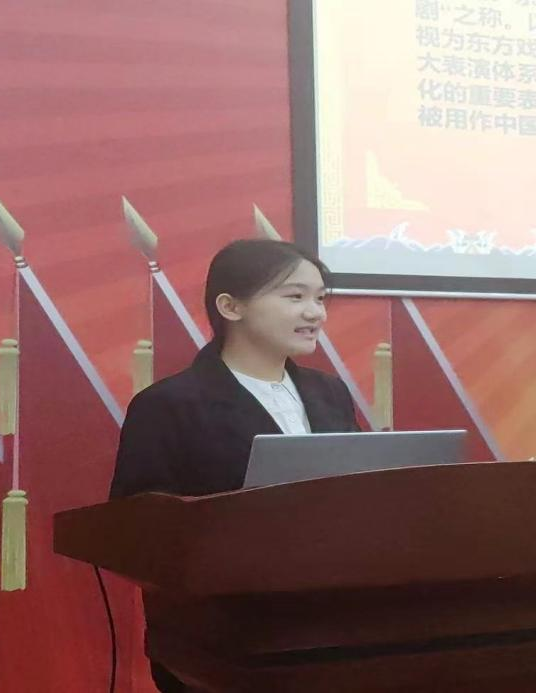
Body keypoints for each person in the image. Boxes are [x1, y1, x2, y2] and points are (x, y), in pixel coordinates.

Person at [109, 238, 360, 691]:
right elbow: (137, 526)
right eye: (295, 297)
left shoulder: (330, 393)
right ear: (230, 306)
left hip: (336, 624)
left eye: (321, 299)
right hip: (221, 634)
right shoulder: (168, 405)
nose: (315, 313)